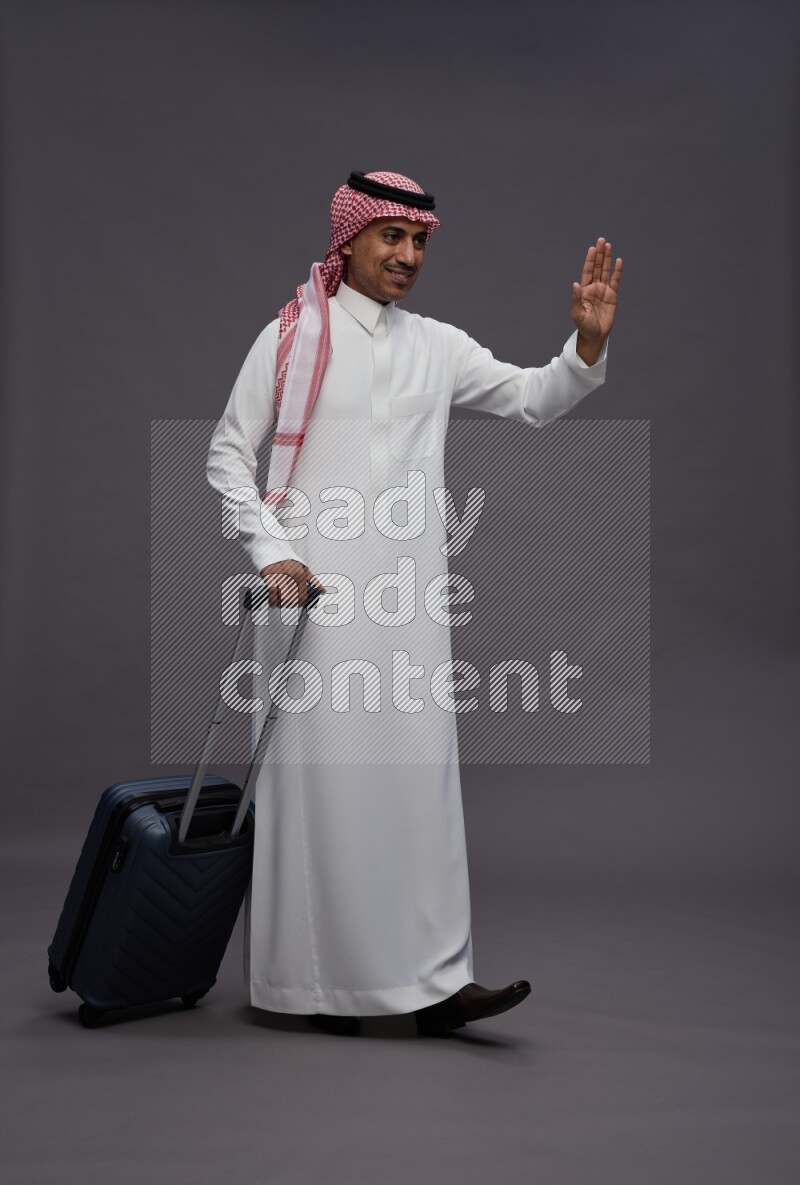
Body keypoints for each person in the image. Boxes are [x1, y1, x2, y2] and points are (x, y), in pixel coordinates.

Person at [206, 170, 622, 1037]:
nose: (407, 255)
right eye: (391, 236)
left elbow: (531, 399)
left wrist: (583, 347)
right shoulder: (288, 337)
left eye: (420, 241)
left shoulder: (437, 345)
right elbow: (225, 457)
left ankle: (433, 983)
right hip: (309, 608)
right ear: (348, 239)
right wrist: (274, 552)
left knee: (414, 790)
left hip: (409, 606)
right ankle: (316, 987)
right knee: (325, 798)